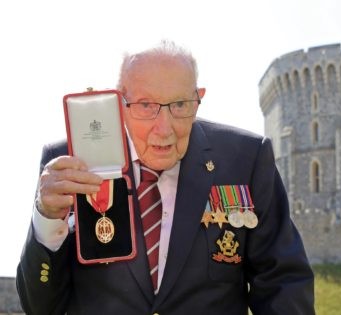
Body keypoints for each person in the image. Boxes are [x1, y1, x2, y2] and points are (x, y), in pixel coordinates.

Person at [16, 40, 315, 314]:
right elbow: (39, 307)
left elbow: (283, 282)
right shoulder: (71, 164)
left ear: (199, 98)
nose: (164, 128)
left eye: (180, 106)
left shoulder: (245, 159)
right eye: (146, 106)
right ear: (119, 104)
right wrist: (46, 220)